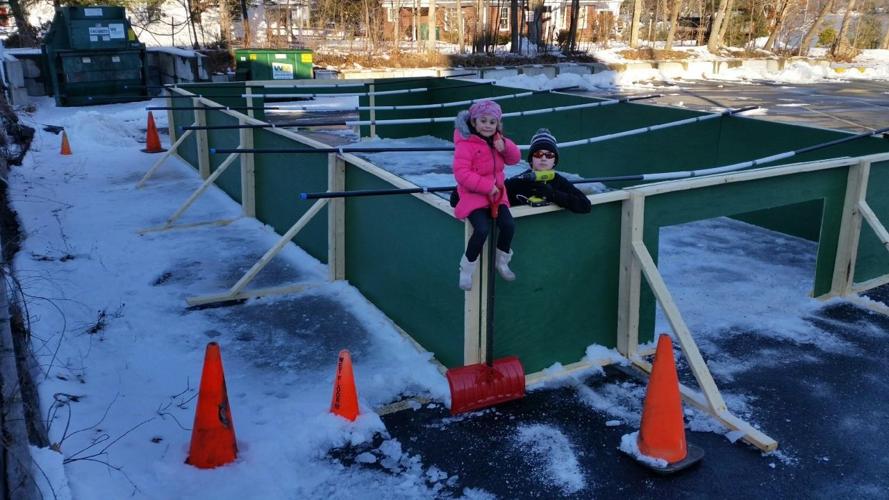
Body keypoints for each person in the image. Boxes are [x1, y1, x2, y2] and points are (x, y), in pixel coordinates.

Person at [452, 100, 522, 291]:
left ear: (497, 124)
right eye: (483, 120)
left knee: (508, 225)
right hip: (473, 195)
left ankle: (502, 261)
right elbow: (461, 173)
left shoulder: (498, 141)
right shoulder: (465, 144)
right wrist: (486, 186)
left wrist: (505, 146)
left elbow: (515, 159)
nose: (487, 126)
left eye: (492, 122)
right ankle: (466, 268)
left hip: (497, 195)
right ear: (474, 122)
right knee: (481, 230)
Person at [505, 128, 592, 214]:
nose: (543, 158)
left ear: (554, 161)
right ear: (531, 159)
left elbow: (585, 205)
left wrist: (552, 194)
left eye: (549, 155)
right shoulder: (520, 180)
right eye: (538, 154)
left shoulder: (558, 181)